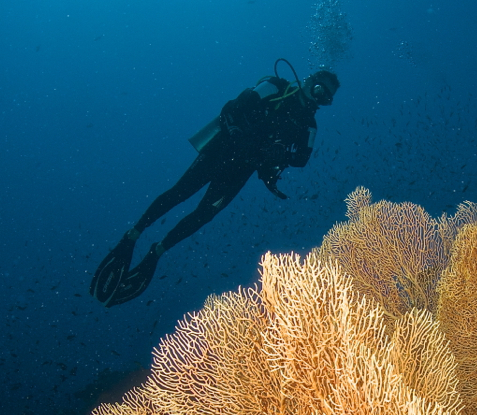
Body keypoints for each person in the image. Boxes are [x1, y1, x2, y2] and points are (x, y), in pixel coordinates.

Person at [91, 63, 340, 308]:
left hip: (241, 169)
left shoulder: (308, 124)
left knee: (205, 214)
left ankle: (157, 252)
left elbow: (302, 159)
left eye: (326, 99)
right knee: (180, 193)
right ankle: (133, 235)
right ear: (308, 81)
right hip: (222, 151)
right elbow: (231, 108)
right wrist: (237, 134)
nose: (319, 99)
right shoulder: (275, 87)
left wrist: (279, 156)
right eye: (319, 91)